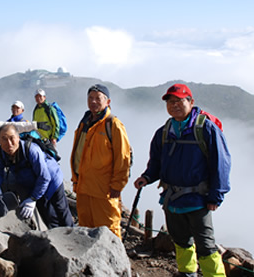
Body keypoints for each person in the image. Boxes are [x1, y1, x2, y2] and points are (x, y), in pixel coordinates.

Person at [133, 84, 231, 277]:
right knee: (181, 242)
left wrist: (216, 196)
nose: (174, 105)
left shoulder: (206, 129)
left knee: (206, 246)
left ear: (191, 102)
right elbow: (157, 163)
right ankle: (187, 274)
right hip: (172, 200)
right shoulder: (164, 132)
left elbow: (221, 164)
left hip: (199, 200)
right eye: (170, 101)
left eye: (179, 101)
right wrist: (147, 177)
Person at [70, 84, 131, 239]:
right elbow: (78, 154)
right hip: (84, 188)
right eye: (90, 98)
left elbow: (123, 157)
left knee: (109, 231)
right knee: (85, 231)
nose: (93, 101)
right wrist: (76, 181)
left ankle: (115, 263)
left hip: (104, 191)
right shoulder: (84, 123)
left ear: (107, 101)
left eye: (98, 98)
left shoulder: (113, 124)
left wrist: (117, 185)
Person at [0, 124, 73, 228]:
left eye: (12, 138)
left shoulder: (32, 150)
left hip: (52, 180)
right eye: (4, 139)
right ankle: (56, 238)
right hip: (32, 182)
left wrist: (33, 198)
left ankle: (71, 234)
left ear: (18, 137)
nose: (9, 143)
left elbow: (44, 177)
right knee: (48, 215)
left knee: (61, 210)